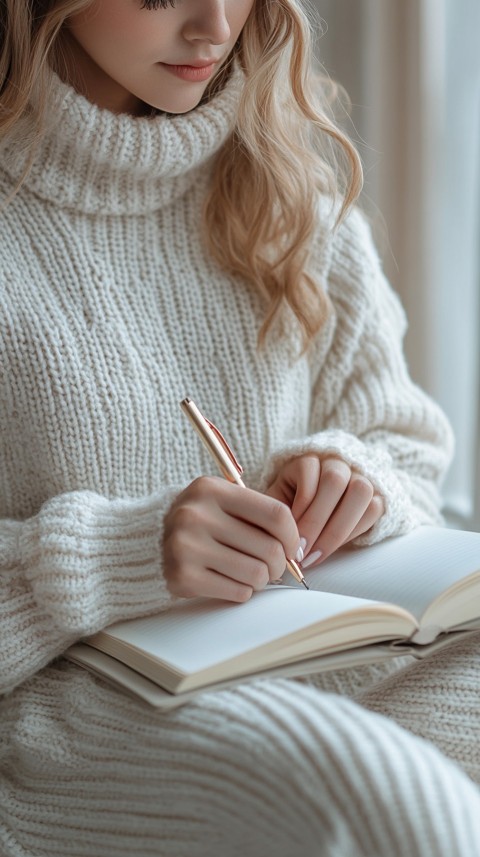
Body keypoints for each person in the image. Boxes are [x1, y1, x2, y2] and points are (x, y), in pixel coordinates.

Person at [1, 1, 479, 855]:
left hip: (323, 656)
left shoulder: (284, 178)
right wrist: (121, 555)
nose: (215, 26)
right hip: (85, 711)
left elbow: (404, 440)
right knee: (378, 798)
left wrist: (355, 478)